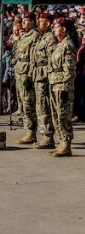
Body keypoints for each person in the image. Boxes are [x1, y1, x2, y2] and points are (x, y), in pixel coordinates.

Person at [48, 18, 77, 157]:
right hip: (54, 83)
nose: (54, 29)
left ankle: (66, 143)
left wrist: (66, 86)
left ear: (64, 29)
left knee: (63, 115)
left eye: (56, 27)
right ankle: (61, 142)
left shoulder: (68, 45)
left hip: (62, 85)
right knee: (56, 115)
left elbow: (69, 69)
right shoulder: (58, 45)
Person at [14, 12, 39, 145]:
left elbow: (34, 57)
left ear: (33, 22)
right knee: (23, 102)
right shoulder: (24, 36)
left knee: (29, 102)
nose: (23, 23)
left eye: (27, 20)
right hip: (20, 71)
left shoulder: (35, 36)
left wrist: (30, 74)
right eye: (22, 20)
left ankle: (31, 131)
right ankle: (28, 129)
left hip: (27, 72)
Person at [32, 11, 57, 148]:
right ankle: (45, 135)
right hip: (38, 75)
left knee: (44, 106)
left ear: (47, 23)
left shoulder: (49, 39)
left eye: (40, 21)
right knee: (40, 106)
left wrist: (48, 77)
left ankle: (48, 136)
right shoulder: (42, 38)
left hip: (45, 76)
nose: (37, 23)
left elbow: (52, 60)